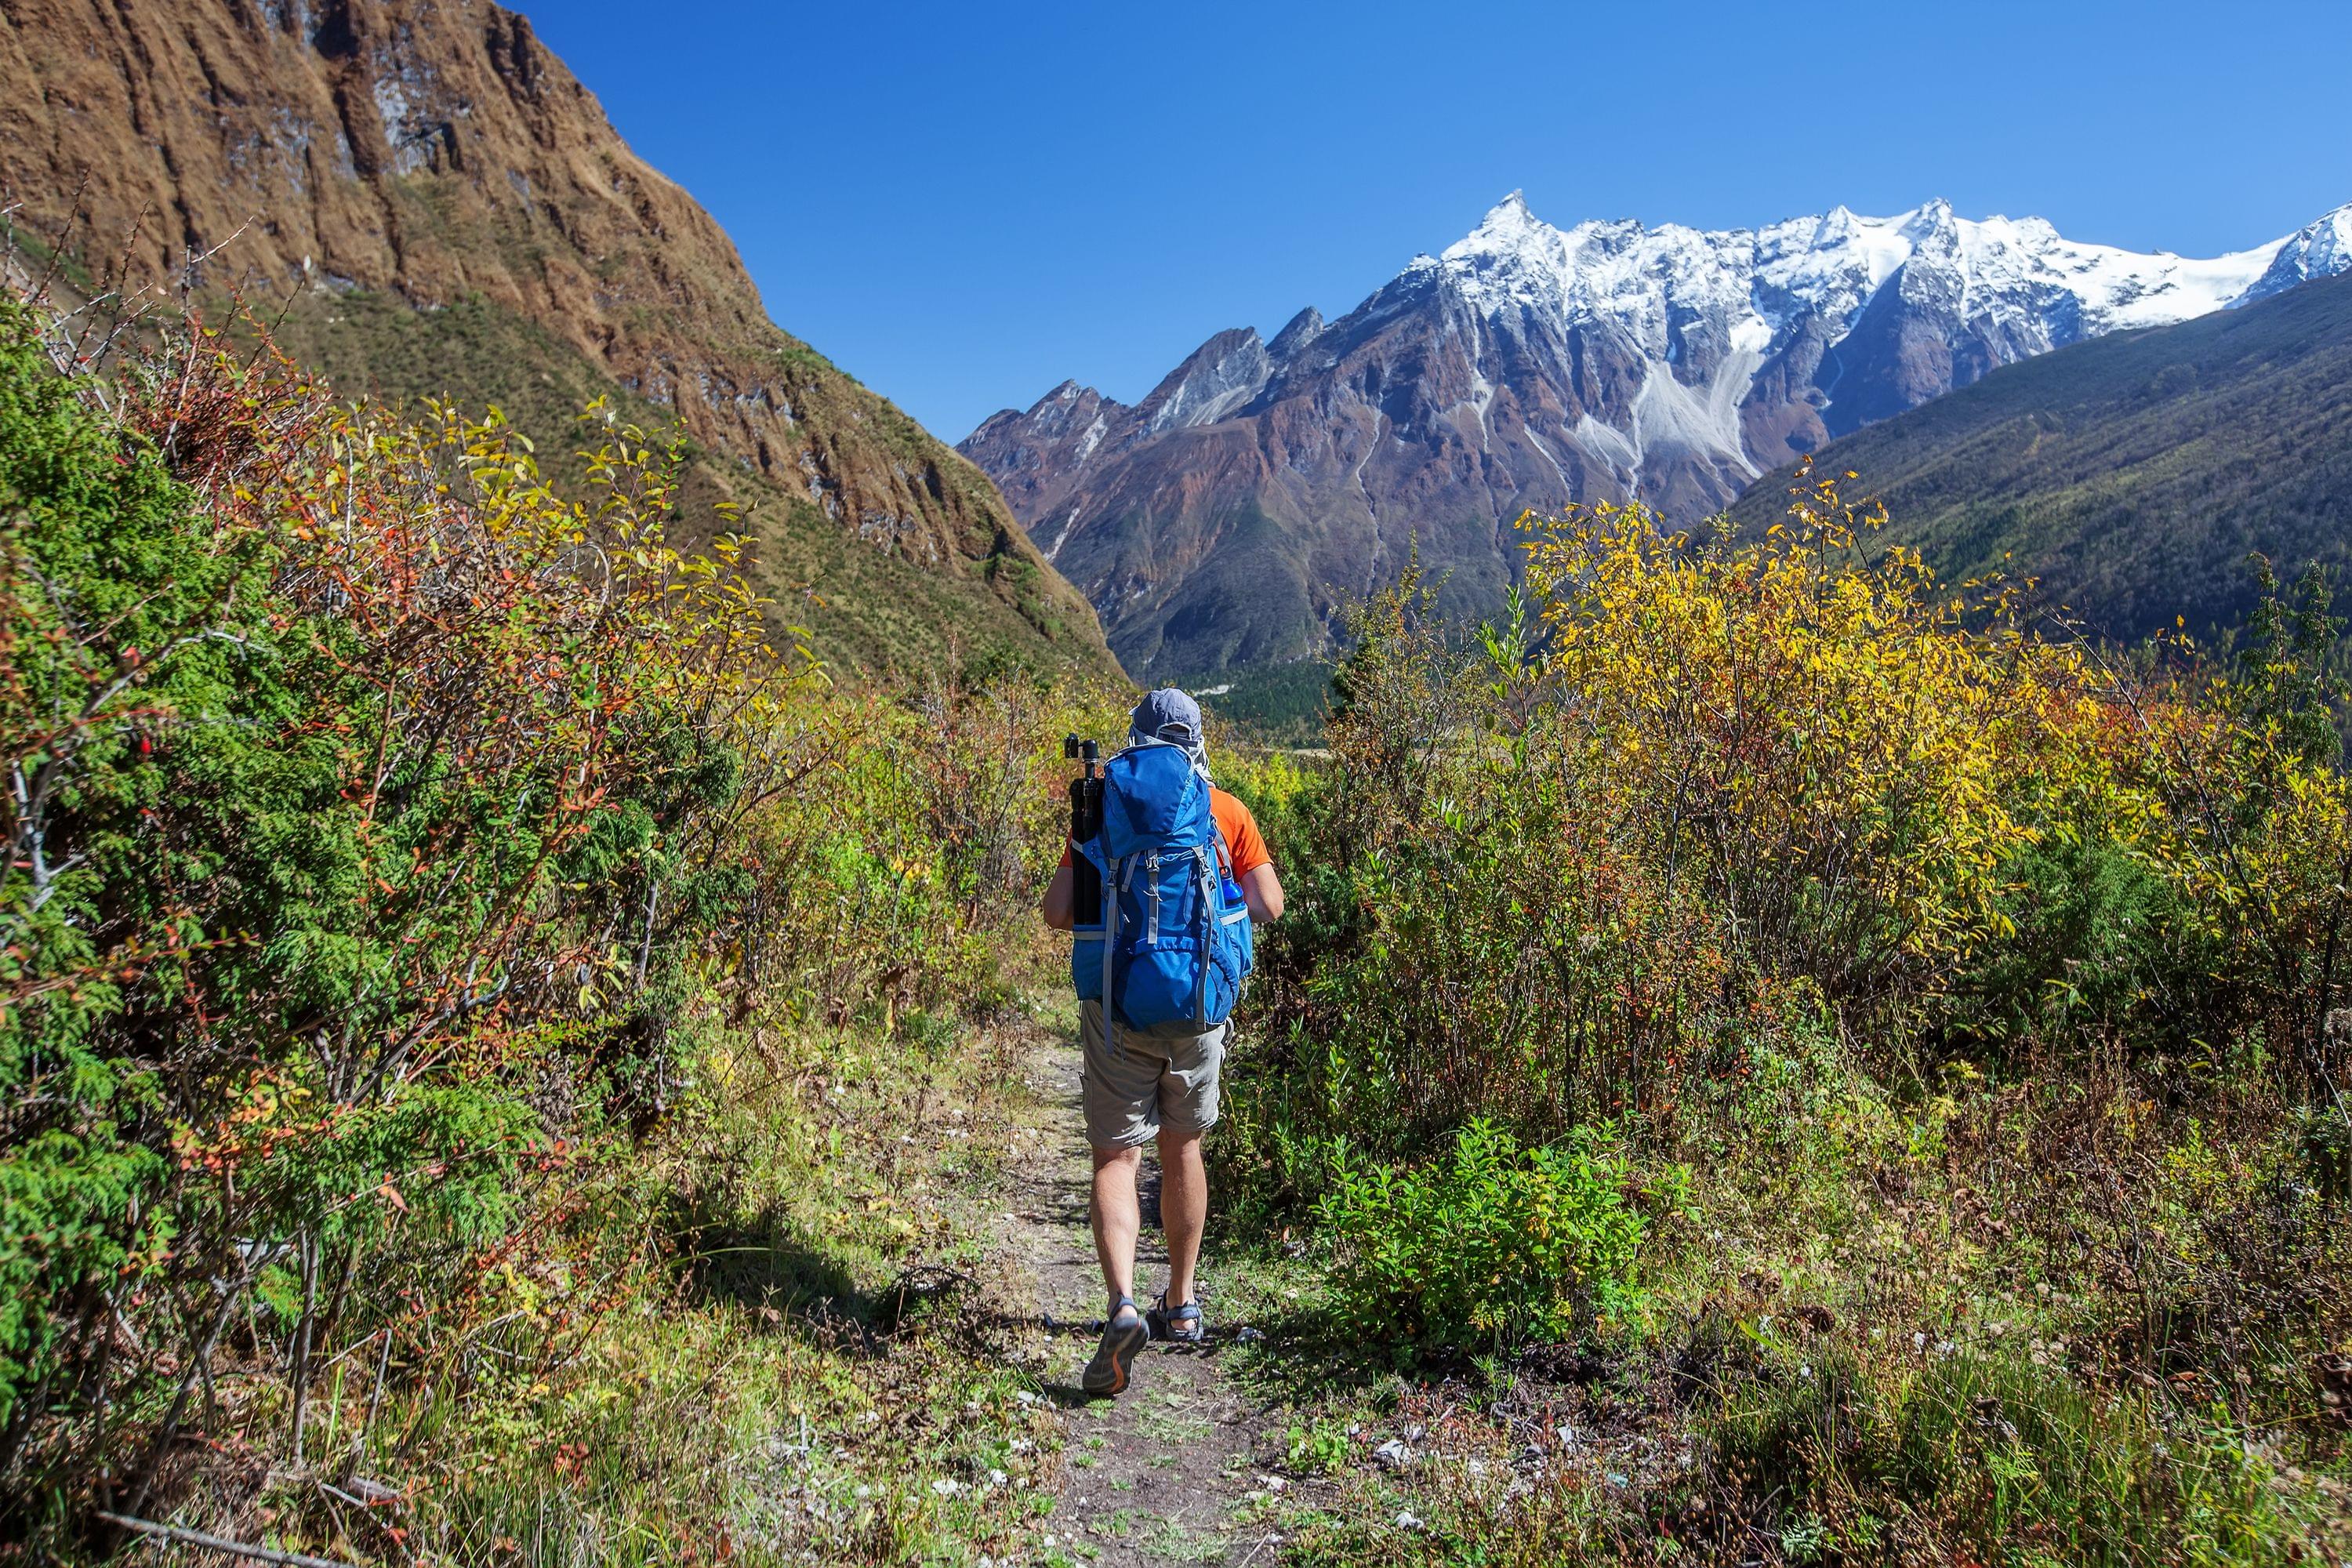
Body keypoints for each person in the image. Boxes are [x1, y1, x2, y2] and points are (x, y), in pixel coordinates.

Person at [1042, 688, 1283, 1396]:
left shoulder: (1103, 806)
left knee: (1117, 1156)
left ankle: (1121, 1305)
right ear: (1196, 740)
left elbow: (1058, 912)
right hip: (1199, 1008)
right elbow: (1269, 905)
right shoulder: (1225, 809)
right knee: (1184, 1146)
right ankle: (1179, 1308)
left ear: (1136, 740)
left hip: (1118, 1009)